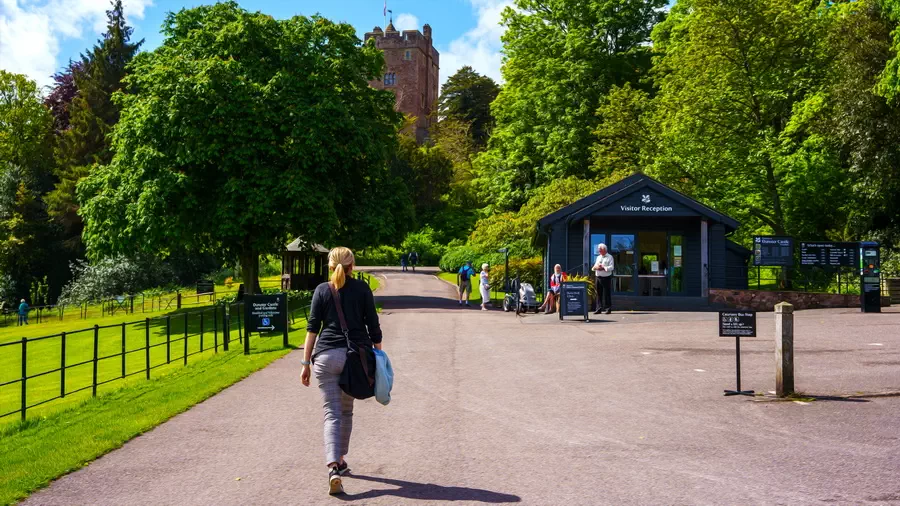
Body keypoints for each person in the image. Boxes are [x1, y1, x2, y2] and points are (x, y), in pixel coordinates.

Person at [300, 247, 382, 496]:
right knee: (346, 411)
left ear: (330, 265)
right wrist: (378, 357)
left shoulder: (322, 290)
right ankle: (339, 461)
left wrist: (305, 364)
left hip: (325, 357)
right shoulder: (362, 289)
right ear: (352, 265)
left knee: (331, 413)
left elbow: (312, 328)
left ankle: (336, 466)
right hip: (354, 358)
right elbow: (373, 326)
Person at [592, 243, 614, 314]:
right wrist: (596, 268)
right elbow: (594, 266)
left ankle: (608, 309)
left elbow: (612, 267)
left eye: (600, 250)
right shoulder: (598, 257)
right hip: (598, 277)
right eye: (599, 250)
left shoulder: (610, 257)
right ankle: (598, 308)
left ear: (604, 250)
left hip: (606, 278)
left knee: (607, 293)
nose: (599, 252)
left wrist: (604, 268)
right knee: (598, 293)